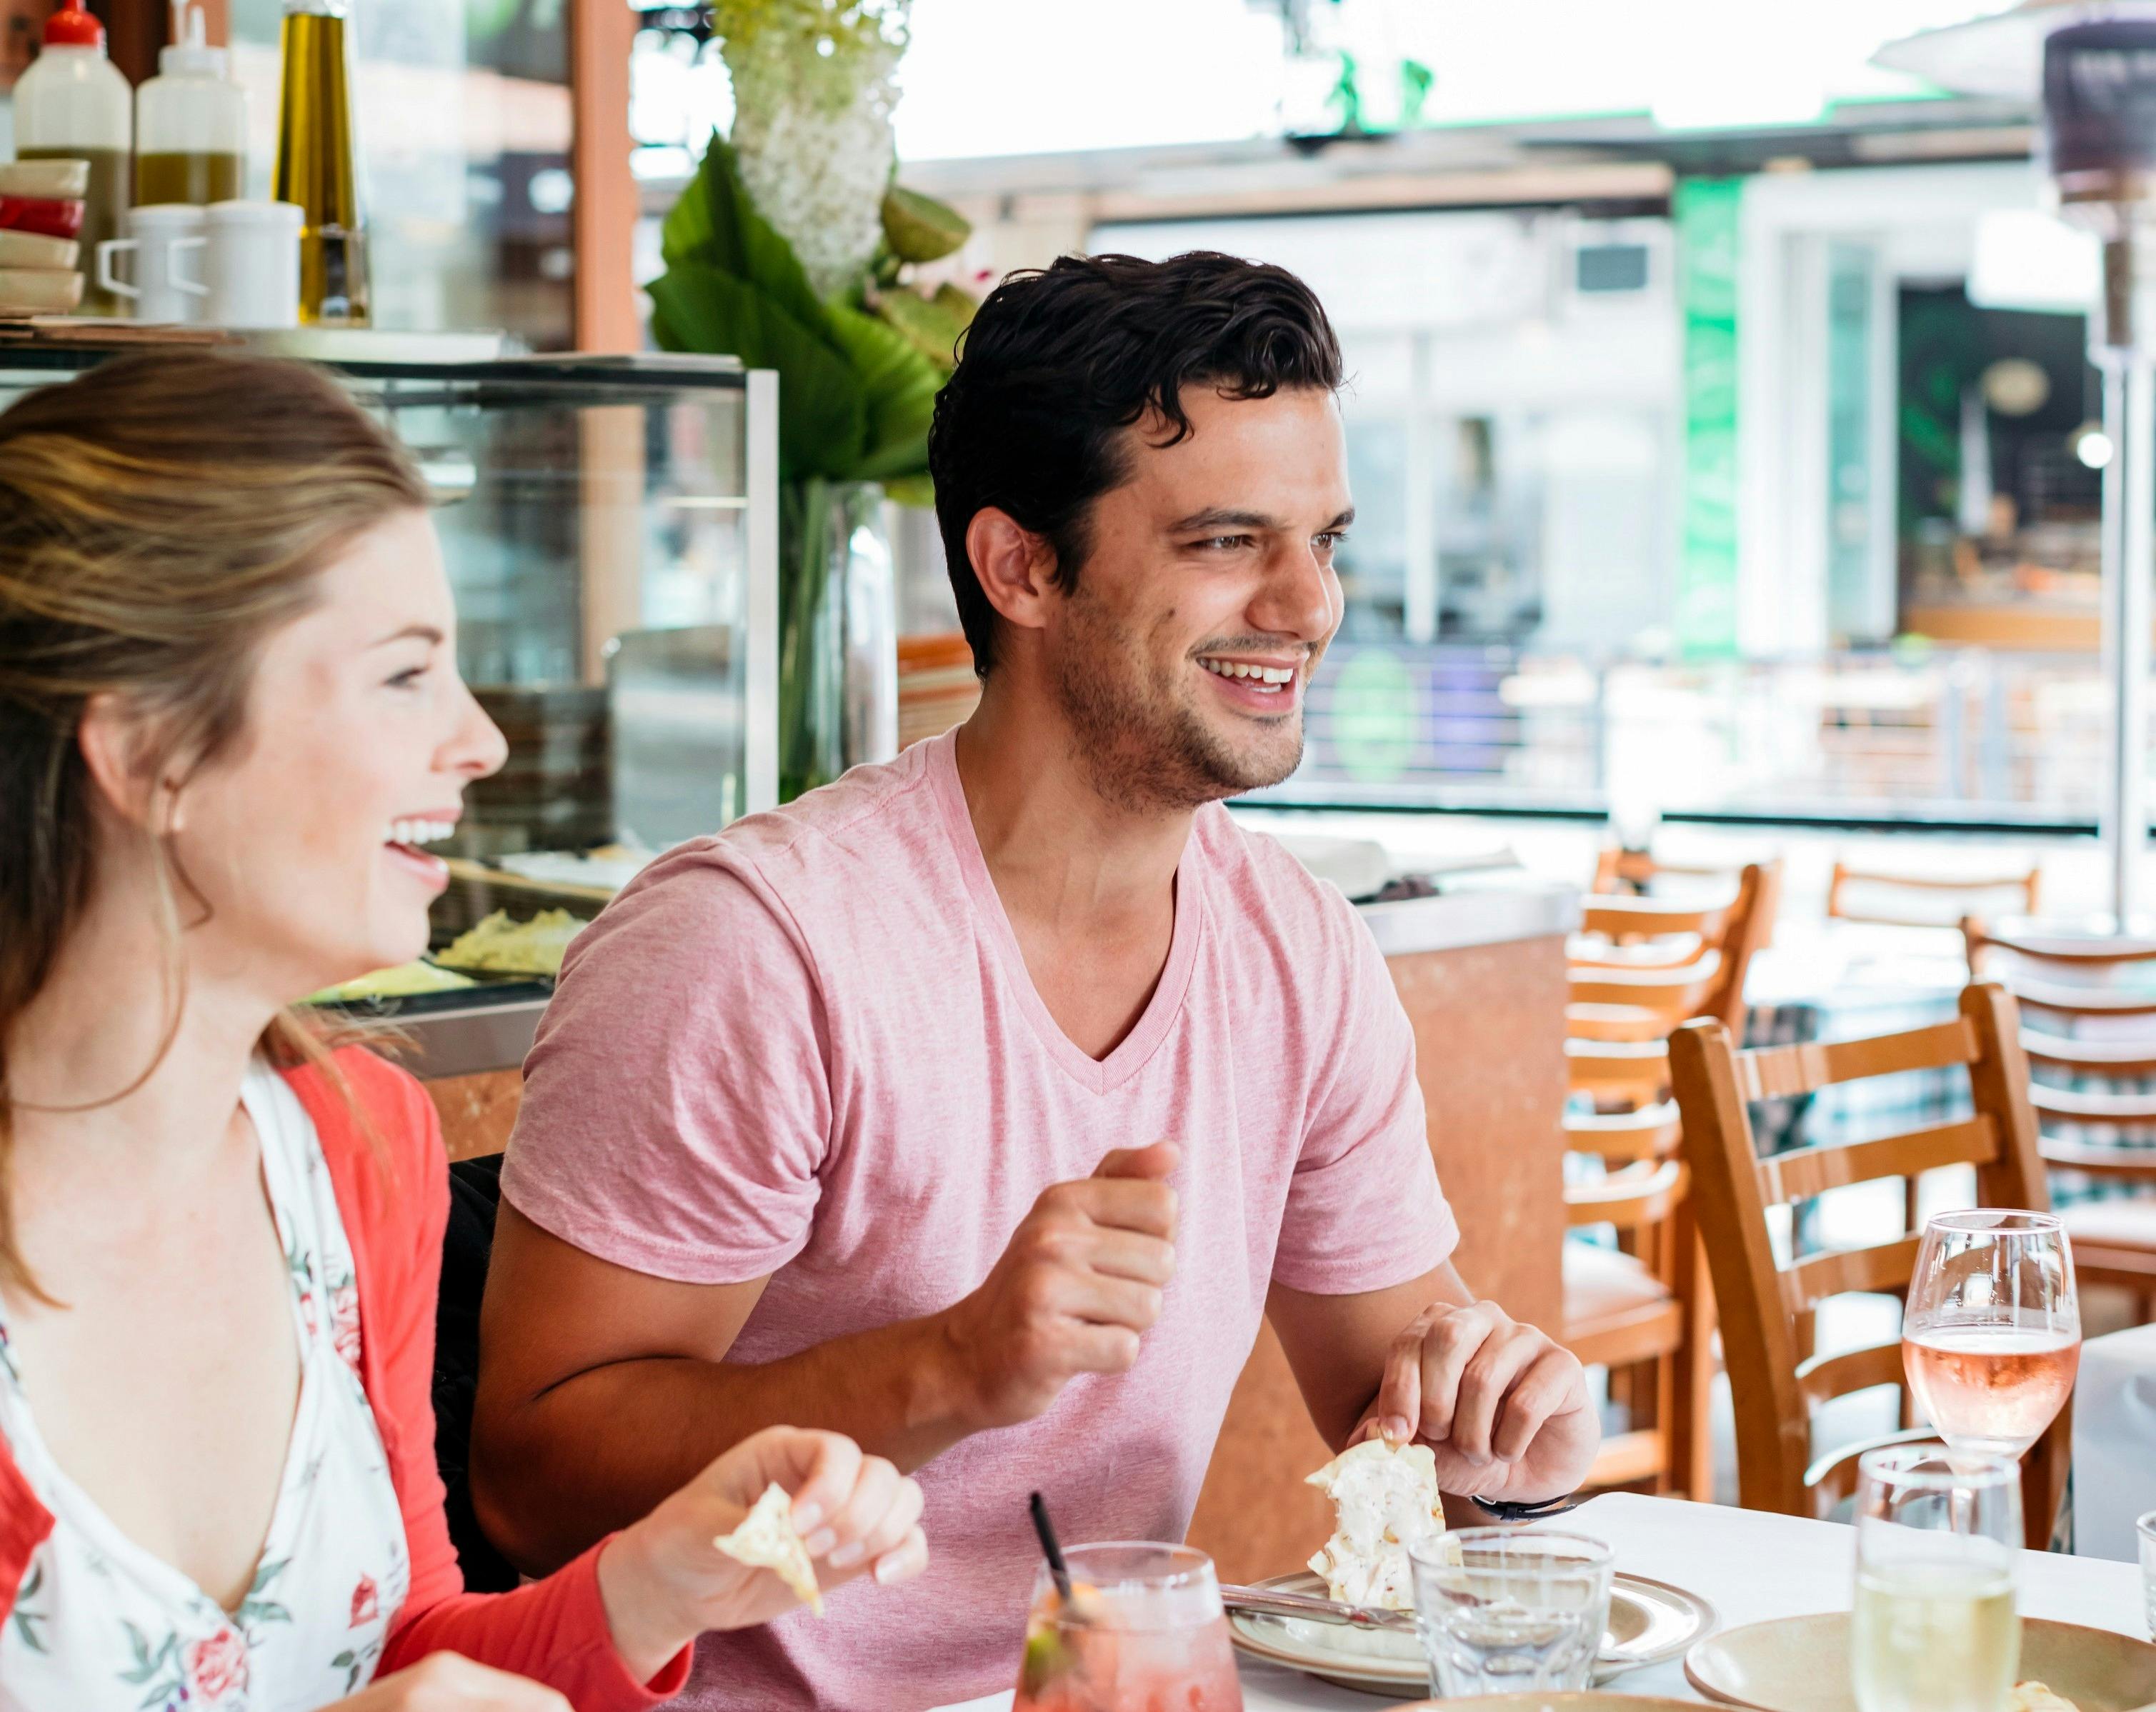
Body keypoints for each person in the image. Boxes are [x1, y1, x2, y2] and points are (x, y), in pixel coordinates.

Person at [473, 251, 1600, 1711]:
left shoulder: (1300, 951)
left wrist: (1502, 1450)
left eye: (1324, 538)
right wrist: (948, 1364)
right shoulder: (755, 946)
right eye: (1227, 540)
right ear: (1023, 567)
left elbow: (1401, 1408)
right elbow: (530, 1481)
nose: (1308, 602)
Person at [0, 351, 929, 1712]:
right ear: (147, 751)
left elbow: (397, 1655)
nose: (481, 740)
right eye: (402, 677)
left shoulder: (355, 1145)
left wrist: (653, 1581)